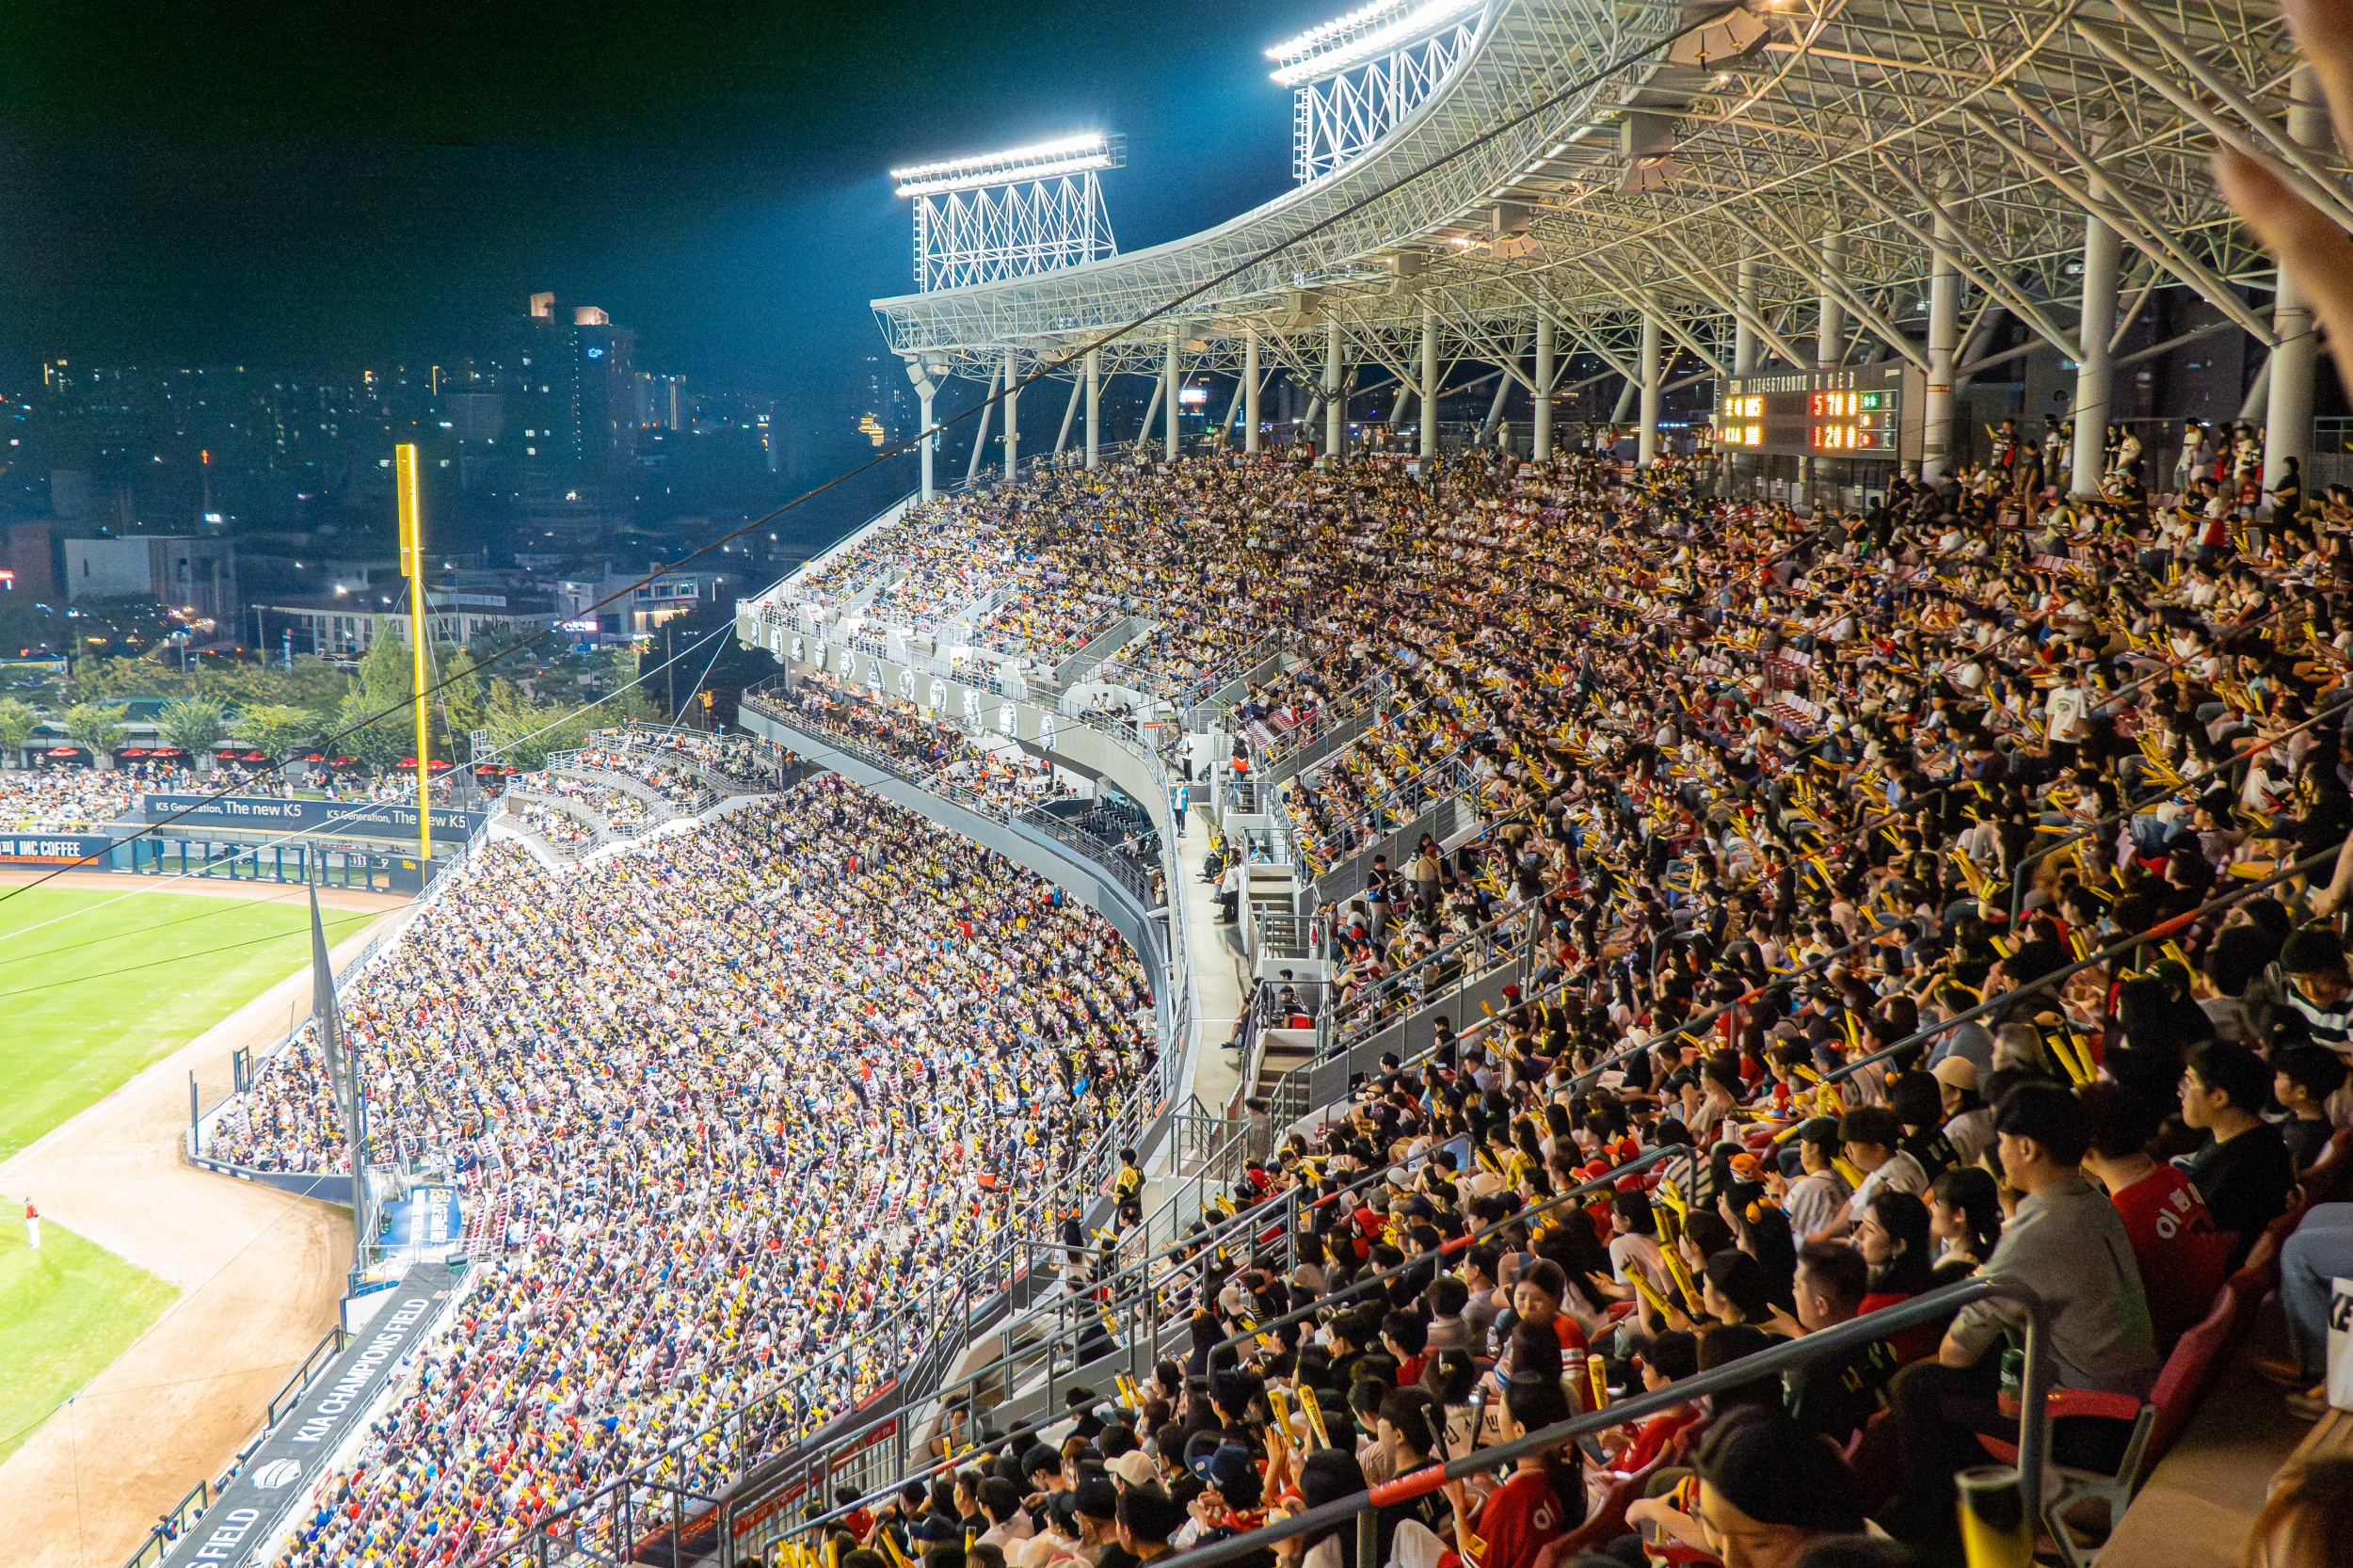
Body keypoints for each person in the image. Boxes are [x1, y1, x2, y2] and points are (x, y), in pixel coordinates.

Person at [2078, 1081, 2227, 1351]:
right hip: (2213, 1318)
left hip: (2171, 1344)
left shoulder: (2119, 1218)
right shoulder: (2172, 1174)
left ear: (2087, 1151)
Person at [2177, 1040, 2296, 1264]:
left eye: (2189, 1081)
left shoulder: (2247, 1162)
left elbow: (2220, 1248)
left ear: (2219, 1098)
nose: (2180, 1091)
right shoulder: (2249, 1136)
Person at [1783, 1241, 1899, 1447]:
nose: (1793, 1292)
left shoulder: (1805, 1371)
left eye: (1797, 1286)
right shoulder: (1878, 1340)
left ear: (1820, 1305)